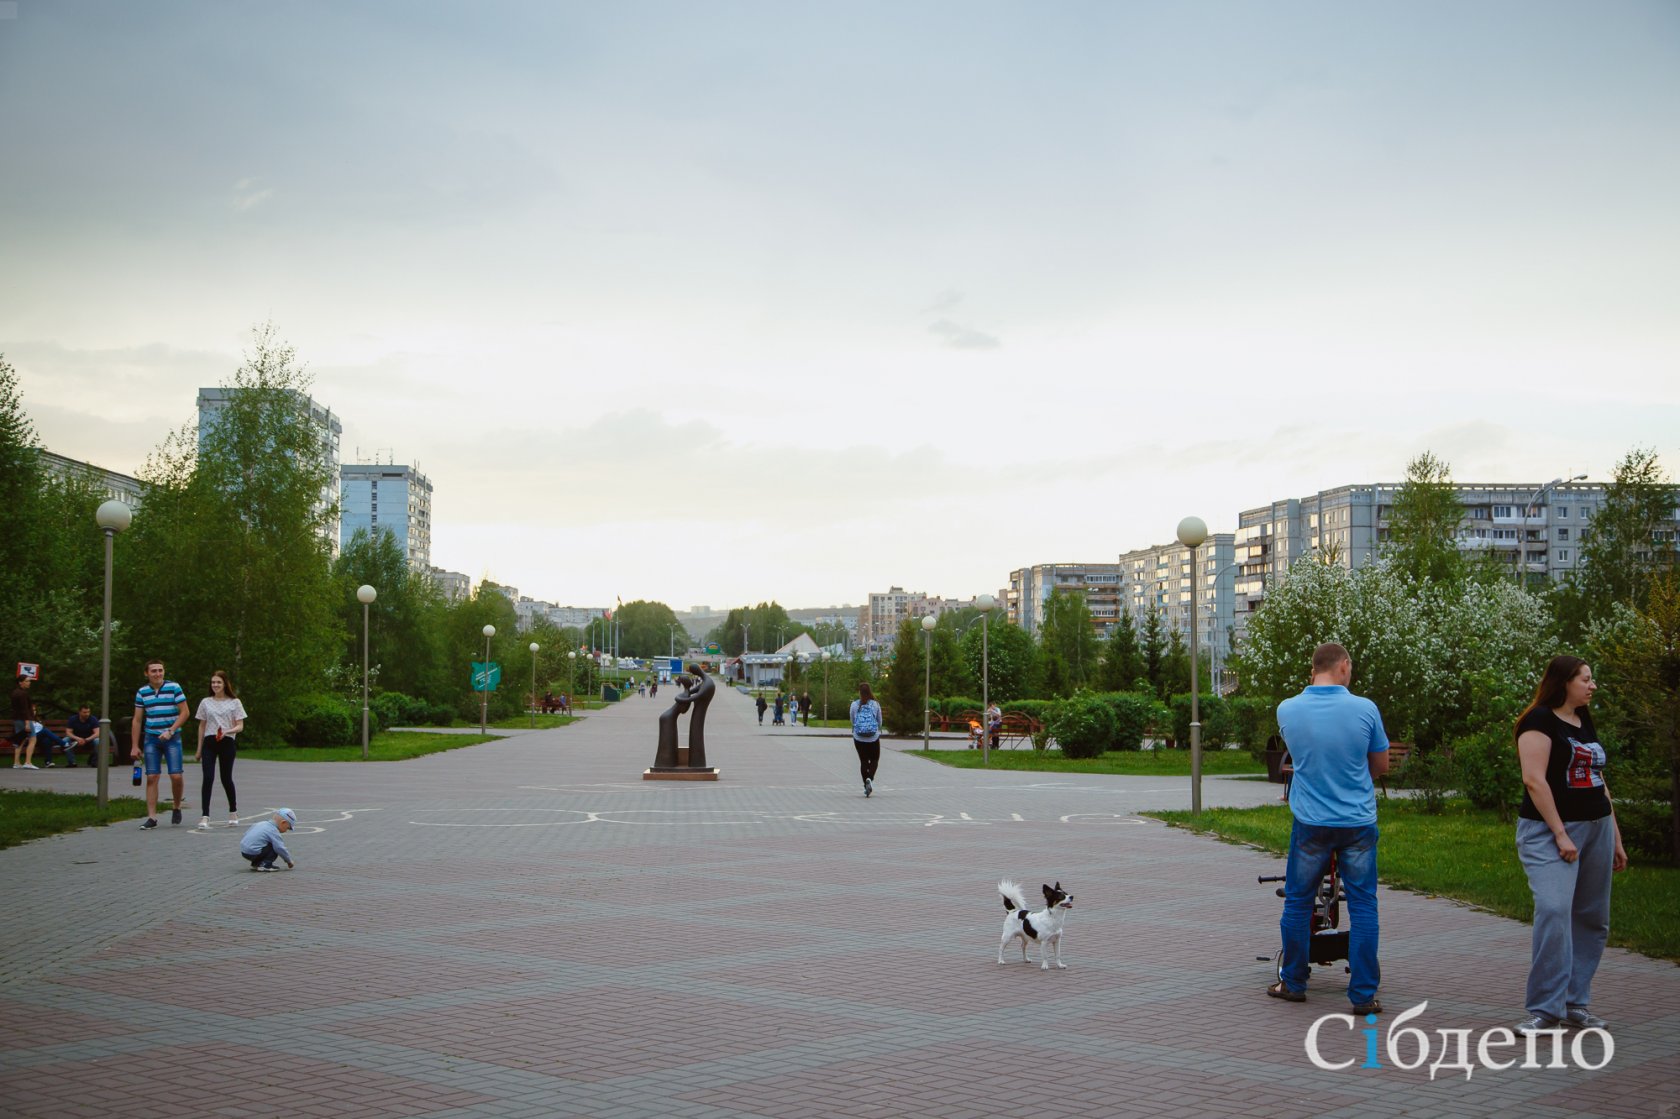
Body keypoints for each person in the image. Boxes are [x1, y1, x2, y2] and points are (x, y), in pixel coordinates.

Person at [1268, 642, 1389, 1013]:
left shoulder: (1287, 709)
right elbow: (1380, 765)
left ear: (1313, 669)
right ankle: (1363, 995)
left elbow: (1305, 757)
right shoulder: (1365, 708)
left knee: (1298, 901)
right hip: (1357, 822)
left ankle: (1293, 981)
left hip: (1311, 823)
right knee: (1365, 904)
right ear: (1344, 666)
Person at [1513, 656, 1628, 1035]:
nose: (1592, 686)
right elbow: (1535, 781)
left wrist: (1615, 835)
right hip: (1549, 832)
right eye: (1586, 679)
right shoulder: (1538, 721)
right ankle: (1545, 1011)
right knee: (1554, 909)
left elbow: (1598, 780)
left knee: (1592, 917)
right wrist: (1561, 833)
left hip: (1596, 828)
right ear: (1564, 682)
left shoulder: (1582, 720)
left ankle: (1575, 1003)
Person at [131, 659, 190, 829]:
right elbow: (137, 719)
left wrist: (171, 730)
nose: (158, 674)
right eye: (154, 671)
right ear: (147, 673)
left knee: (176, 775)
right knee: (152, 776)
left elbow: (185, 712)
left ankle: (176, 806)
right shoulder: (142, 692)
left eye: (160, 670)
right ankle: (152, 817)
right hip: (152, 738)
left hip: (172, 737)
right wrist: (135, 745)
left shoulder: (174, 688)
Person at [194, 669, 247, 830]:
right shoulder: (205, 702)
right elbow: (202, 726)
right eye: (213, 682)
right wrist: (199, 749)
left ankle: (233, 811)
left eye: (218, 682)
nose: (215, 685)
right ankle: (205, 816)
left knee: (226, 778)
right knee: (208, 778)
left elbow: (240, 725)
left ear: (225, 684)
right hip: (210, 742)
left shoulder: (234, 702)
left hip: (227, 741)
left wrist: (228, 731)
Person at [850, 682, 884, 797]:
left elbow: (852, 720)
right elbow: (880, 720)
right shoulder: (875, 704)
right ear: (870, 691)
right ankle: (870, 778)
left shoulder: (854, 705)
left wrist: (855, 729)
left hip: (859, 737)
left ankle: (866, 783)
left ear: (859, 692)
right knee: (874, 759)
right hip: (873, 737)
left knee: (864, 761)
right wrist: (878, 728)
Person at [11, 673, 38, 769]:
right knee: (33, 739)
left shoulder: (15, 692)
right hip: (25, 719)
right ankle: (28, 762)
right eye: (27, 681)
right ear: (20, 682)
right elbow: (24, 709)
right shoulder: (23, 694)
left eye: (29, 681)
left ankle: (16, 762)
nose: (29, 683)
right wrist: (27, 722)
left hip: (17, 719)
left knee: (20, 740)